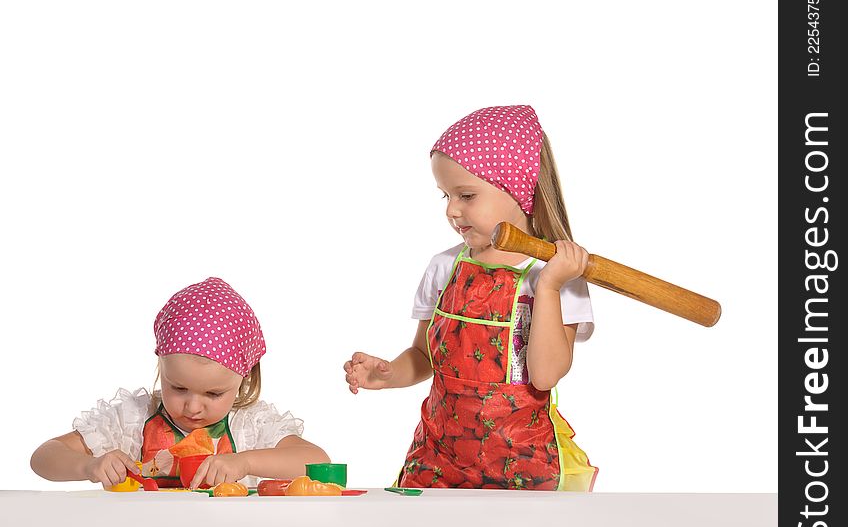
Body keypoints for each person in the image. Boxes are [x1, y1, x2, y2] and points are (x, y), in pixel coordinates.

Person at [344, 105, 598, 490]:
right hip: (439, 460)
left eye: (466, 195)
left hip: (522, 467)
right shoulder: (444, 267)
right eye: (444, 195)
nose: (451, 210)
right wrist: (390, 374)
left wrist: (548, 287)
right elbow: (424, 357)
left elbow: (545, 376)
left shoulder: (559, 276)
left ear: (518, 188)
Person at [31, 277, 329, 490]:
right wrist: (90, 467)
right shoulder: (132, 420)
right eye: (178, 387)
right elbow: (44, 456)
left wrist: (246, 463)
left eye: (213, 393)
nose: (193, 406)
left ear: (244, 377)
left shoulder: (250, 426)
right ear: (160, 364)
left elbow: (317, 462)